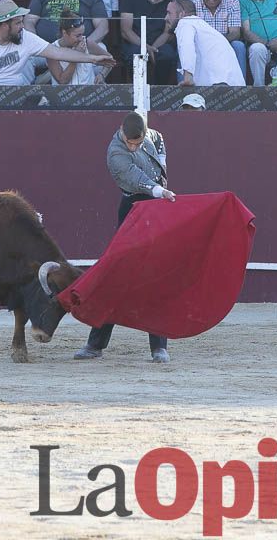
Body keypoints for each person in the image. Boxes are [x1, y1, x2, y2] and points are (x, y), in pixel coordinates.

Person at [75, 111, 175, 363]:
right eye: (131, 143)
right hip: (133, 209)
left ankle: (159, 346)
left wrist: (162, 167)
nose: (134, 146)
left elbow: (159, 138)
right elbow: (135, 179)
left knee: (156, 274)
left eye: (138, 143)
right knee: (117, 275)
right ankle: (95, 344)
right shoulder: (115, 153)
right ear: (122, 132)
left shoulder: (150, 136)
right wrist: (159, 189)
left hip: (156, 207)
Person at [0, 0, 113, 86]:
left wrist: (93, 58)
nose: (22, 26)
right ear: (3, 25)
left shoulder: (25, 37)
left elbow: (57, 52)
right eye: (18, 23)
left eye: (22, 22)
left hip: (17, 93)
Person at [120, 0, 179, 85]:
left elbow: (168, 32)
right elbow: (126, 30)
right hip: (135, 42)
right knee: (136, 54)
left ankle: (160, 90)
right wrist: (145, 47)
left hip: (161, 42)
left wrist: (153, 49)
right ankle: (138, 91)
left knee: (167, 55)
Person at [167, 0, 245, 86]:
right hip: (231, 84)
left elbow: (187, 46)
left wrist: (187, 77)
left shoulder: (185, 22)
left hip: (219, 83)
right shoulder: (201, 25)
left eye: (169, 13)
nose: (166, 18)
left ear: (181, 14)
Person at [190, 0, 247, 77]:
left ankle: (240, 89)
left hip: (225, 43)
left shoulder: (232, 2)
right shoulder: (190, 1)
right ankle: (185, 90)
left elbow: (235, 33)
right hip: (199, 44)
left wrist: (215, 42)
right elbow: (188, 34)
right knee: (185, 48)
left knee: (238, 46)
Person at [48, 15, 104, 85]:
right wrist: (77, 56)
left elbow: (110, 60)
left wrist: (102, 75)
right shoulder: (51, 50)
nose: (81, 39)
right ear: (64, 33)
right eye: (77, 36)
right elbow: (63, 81)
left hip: (89, 93)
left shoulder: (86, 42)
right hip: (64, 94)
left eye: (82, 34)